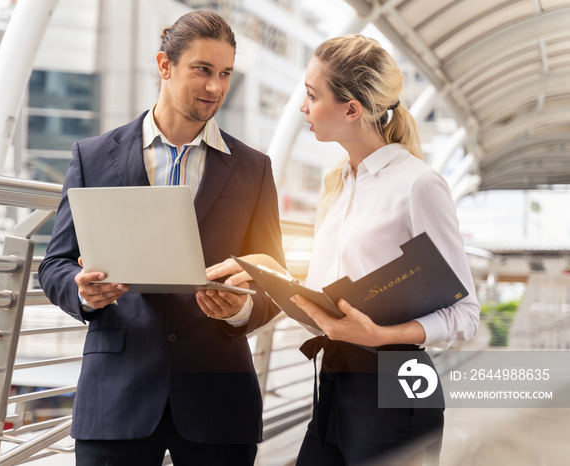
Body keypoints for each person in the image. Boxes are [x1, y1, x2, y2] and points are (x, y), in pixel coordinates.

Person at [208, 34, 481, 465]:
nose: (303, 107)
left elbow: (465, 314)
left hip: (399, 382)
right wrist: (266, 271)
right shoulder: (337, 184)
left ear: (352, 109)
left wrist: (380, 336)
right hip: (334, 379)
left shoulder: (418, 184)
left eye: (312, 96)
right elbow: (333, 299)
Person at [38, 10, 285, 466]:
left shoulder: (254, 169)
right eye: (203, 70)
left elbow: (274, 278)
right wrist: (84, 292)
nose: (216, 88)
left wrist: (242, 309)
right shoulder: (92, 157)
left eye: (225, 73)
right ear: (164, 65)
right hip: (117, 396)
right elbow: (54, 264)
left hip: (218, 398)